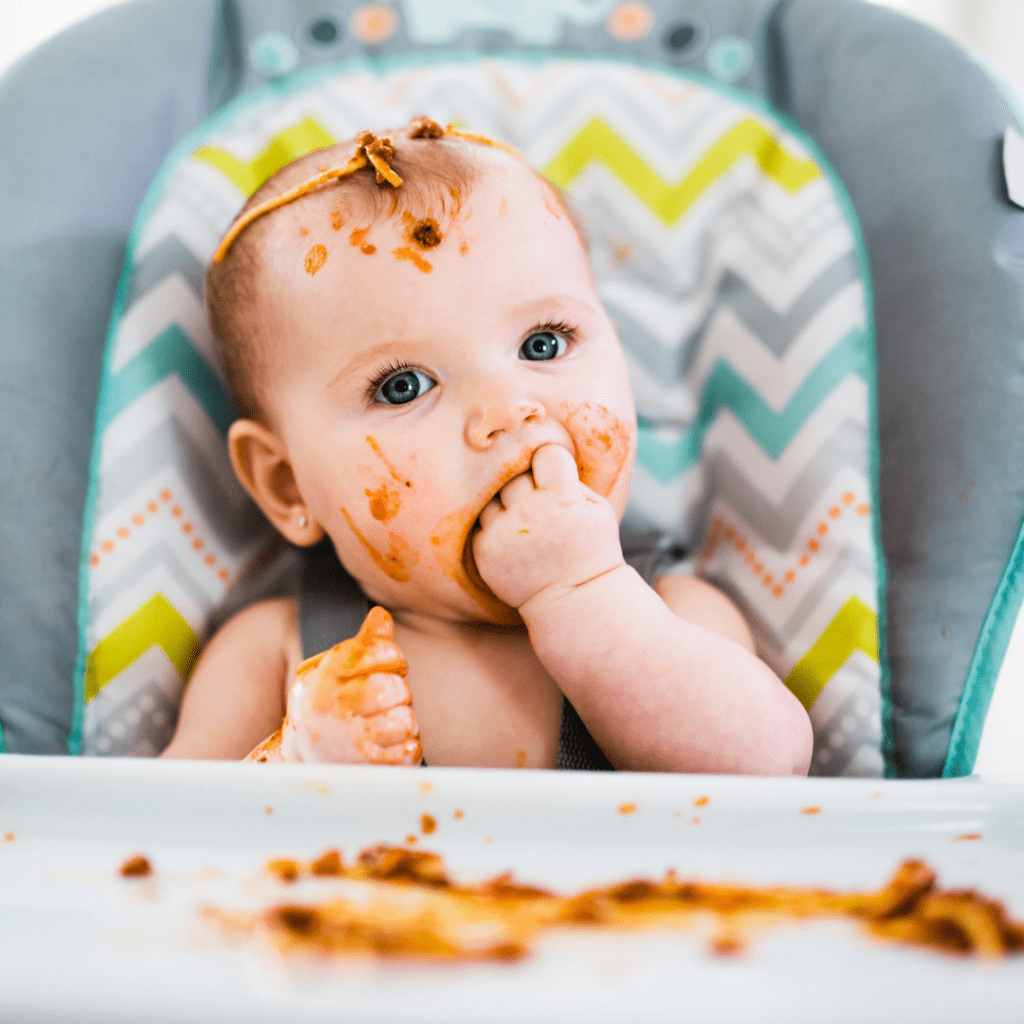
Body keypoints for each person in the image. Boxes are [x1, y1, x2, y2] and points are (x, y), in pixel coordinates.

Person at [160, 119, 813, 774]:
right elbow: (155, 832)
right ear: (287, 485)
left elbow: (768, 770)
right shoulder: (276, 652)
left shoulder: (670, 615)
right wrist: (294, 765)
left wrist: (583, 593)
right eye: (403, 386)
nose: (509, 413)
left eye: (544, 344)